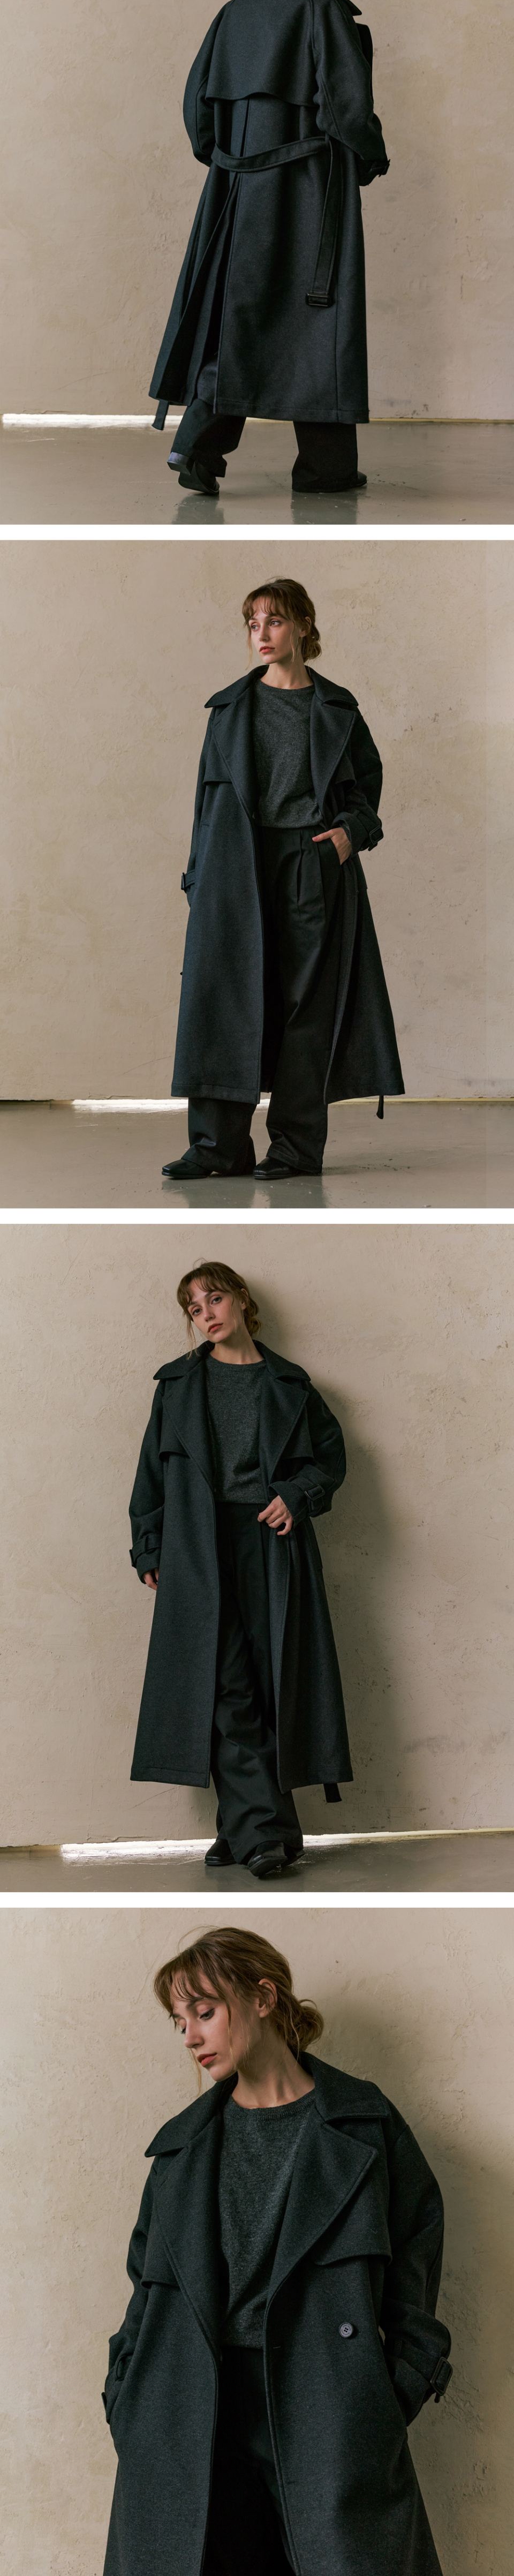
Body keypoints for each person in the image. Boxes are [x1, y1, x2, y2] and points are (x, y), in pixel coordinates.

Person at [102, 1924, 452, 2576]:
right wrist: (126, 2394)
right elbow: (143, 2292)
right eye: (179, 2021)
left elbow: (417, 2260)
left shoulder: (364, 2127)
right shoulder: (181, 2150)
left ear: (263, 1998)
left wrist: (384, 2400)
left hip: (326, 2408)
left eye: (205, 2012)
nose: (190, 2036)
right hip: (188, 2415)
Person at [162, 574, 404, 1184]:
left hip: (310, 862)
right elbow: (204, 804)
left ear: (302, 626)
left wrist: (348, 836)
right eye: (253, 623)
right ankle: (218, 1147)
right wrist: (198, 876)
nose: (262, 634)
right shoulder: (230, 709)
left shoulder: (338, 710)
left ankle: (295, 1148)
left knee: (307, 1007)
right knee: (223, 997)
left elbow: (367, 792)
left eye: (274, 621)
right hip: (234, 865)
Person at [151, 0, 389, 502]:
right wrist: (372, 157)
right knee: (319, 319)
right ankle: (325, 471)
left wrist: (231, 164)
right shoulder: (323, 11)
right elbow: (347, 111)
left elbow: (197, 112)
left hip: (235, 193)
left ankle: (198, 448)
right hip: (311, 191)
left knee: (241, 315)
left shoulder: (233, 13)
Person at [129, 1259, 352, 1879]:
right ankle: (265, 1834)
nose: (206, 1314)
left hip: (271, 1544)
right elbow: (150, 1476)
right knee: (224, 1684)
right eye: (194, 1308)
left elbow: (330, 1460)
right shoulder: (177, 1385)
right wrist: (149, 1548)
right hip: (197, 1547)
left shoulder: (290, 1384)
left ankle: (241, 1827)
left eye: (215, 1299)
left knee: (270, 1681)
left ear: (243, 1301)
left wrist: (297, 1497)